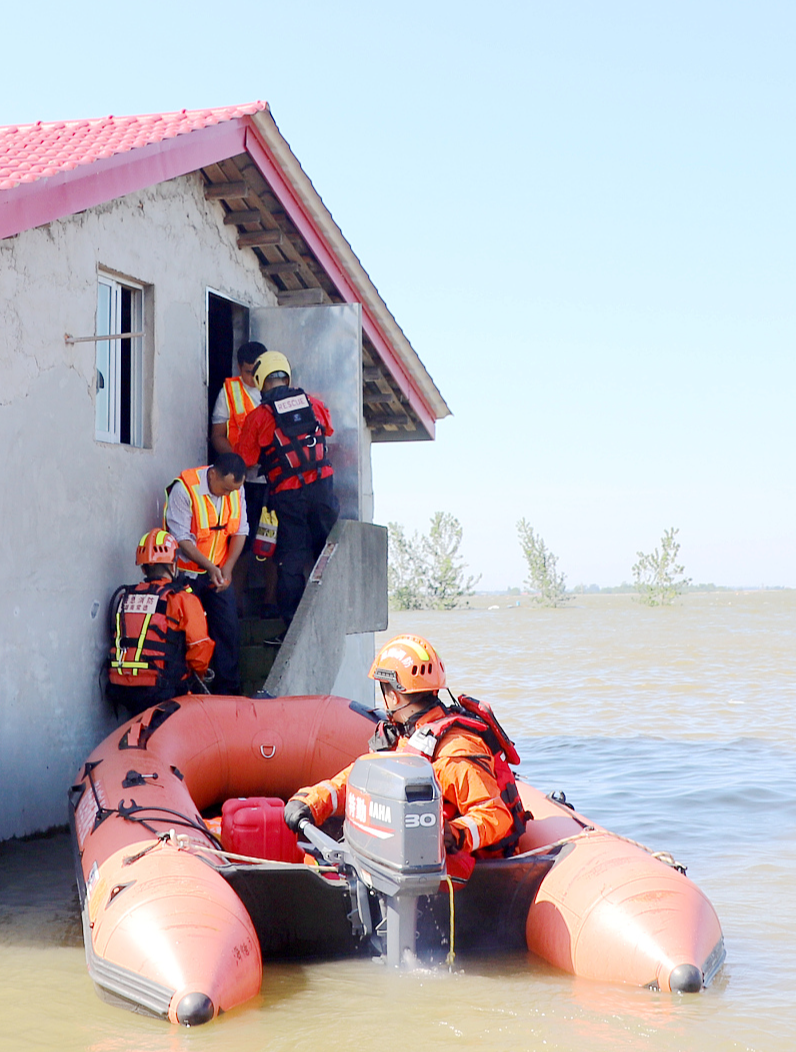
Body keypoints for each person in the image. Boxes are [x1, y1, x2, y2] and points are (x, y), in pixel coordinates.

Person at [281, 634, 526, 882]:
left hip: (459, 876)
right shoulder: (405, 736)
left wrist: (454, 833)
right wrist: (312, 802)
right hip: (406, 862)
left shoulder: (454, 751)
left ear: (394, 695)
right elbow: (359, 780)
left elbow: (495, 814)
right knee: (318, 859)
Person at [231, 351, 336, 620]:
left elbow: (245, 460)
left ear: (260, 381)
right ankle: (333, 608)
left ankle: (291, 621)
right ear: (287, 376)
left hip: (288, 495)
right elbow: (328, 431)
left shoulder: (259, 416)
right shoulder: (314, 403)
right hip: (323, 488)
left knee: (291, 558)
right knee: (328, 548)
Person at [104, 530, 215, 717]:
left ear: (144, 569)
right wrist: (199, 677)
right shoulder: (181, 599)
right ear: (173, 565)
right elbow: (200, 649)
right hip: (162, 689)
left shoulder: (126, 596)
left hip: (119, 687)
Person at [164, 452, 249, 693]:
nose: (229, 494)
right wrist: (210, 567)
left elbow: (240, 531)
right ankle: (190, 690)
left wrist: (227, 568)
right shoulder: (185, 490)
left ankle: (228, 692)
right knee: (190, 635)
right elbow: (181, 539)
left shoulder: (236, 488)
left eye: (234, 490)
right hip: (187, 575)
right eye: (225, 489)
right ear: (212, 474)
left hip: (220, 574)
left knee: (228, 630)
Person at [211, 340, 272, 605]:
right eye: (249, 371)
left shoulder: (277, 387)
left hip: (274, 480)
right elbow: (217, 436)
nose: (254, 376)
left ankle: (271, 604)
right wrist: (238, 462)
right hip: (243, 482)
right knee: (241, 542)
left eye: (258, 370)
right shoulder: (229, 391)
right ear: (240, 368)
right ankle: (237, 606)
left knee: (273, 542)